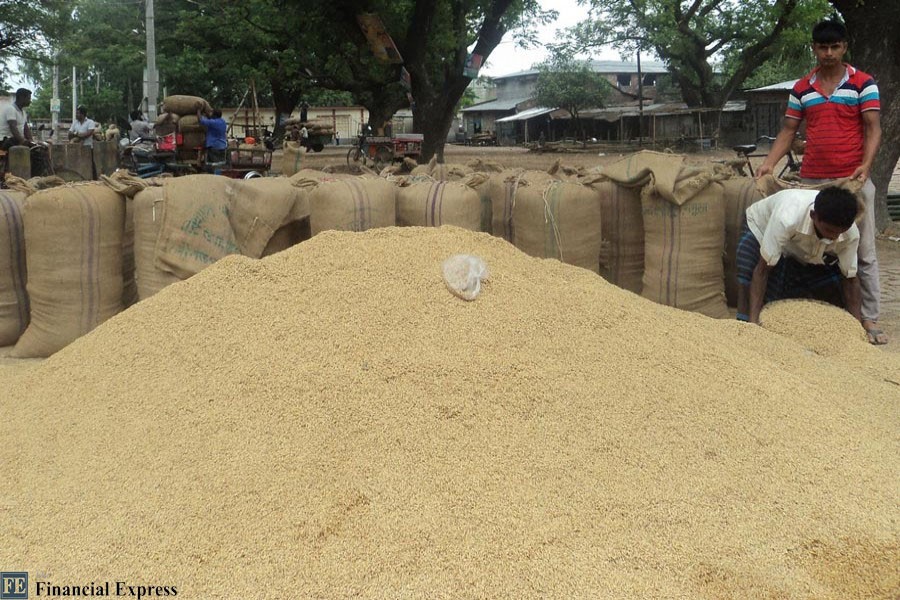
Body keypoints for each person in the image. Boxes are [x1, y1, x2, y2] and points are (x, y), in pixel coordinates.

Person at [755, 19, 885, 345]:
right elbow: (788, 130)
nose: (828, 53)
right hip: (812, 179)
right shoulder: (802, 88)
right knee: (804, 247)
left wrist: (866, 165)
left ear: (844, 47)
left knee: (863, 251)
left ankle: (868, 318)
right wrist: (769, 163)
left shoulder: (863, 84)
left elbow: (873, 128)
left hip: (852, 180)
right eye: (822, 47)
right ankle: (802, 309)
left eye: (835, 47)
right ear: (814, 48)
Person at [736, 186, 864, 333]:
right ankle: (746, 323)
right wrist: (754, 325)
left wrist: (858, 329)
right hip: (762, 228)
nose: (834, 237)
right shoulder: (786, 218)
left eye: (840, 232)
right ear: (813, 215)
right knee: (753, 270)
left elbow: (850, 278)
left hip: (799, 241)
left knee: (825, 286)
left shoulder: (850, 233)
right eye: (829, 231)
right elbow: (762, 270)